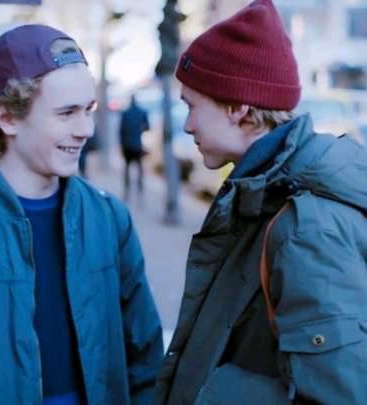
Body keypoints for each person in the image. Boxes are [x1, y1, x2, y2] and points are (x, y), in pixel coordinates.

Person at [155, 1, 367, 404]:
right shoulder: (263, 192)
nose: (188, 125)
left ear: (239, 109)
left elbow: (339, 394)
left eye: (193, 106)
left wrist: (212, 393)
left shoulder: (307, 229)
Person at [0, 24, 163, 405]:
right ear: (7, 118)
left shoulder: (109, 218)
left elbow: (146, 359)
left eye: (89, 110)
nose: (86, 129)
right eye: (67, 113)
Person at [119, 94, 150, 201]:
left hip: (127, 145)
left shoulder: (125, 113)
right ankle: (140, 191)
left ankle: (127, 191)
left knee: (127, 168)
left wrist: (121, 145)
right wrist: (139, 130)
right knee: (139, 169)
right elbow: (147, 127)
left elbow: (121, 131)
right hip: (137, 145)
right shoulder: (142, 112)